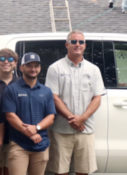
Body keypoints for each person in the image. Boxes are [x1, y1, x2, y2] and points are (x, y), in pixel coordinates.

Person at [46, 30, 106, 175]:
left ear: (85, 45)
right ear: (67, 45)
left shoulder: (94, 69)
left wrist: (82, 118)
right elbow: (54, 97)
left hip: (85, 129)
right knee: (60, 171)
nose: (77, 44)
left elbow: (97, 98)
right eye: (73, 41)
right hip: (61, 129)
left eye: (81, 42)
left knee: (84, 171)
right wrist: (72, 119)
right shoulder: (55, 68)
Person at [2, 52, 56, 175]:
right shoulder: (11, 89)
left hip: (40, 144)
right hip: (19, 144)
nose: (33, 69)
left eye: (36, 66)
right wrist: (30, 134)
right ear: (22, 68)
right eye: (29, 65)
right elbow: (10, 115)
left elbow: (51, 116)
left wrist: (36, 128)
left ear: (40, 68)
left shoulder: (46, 91)